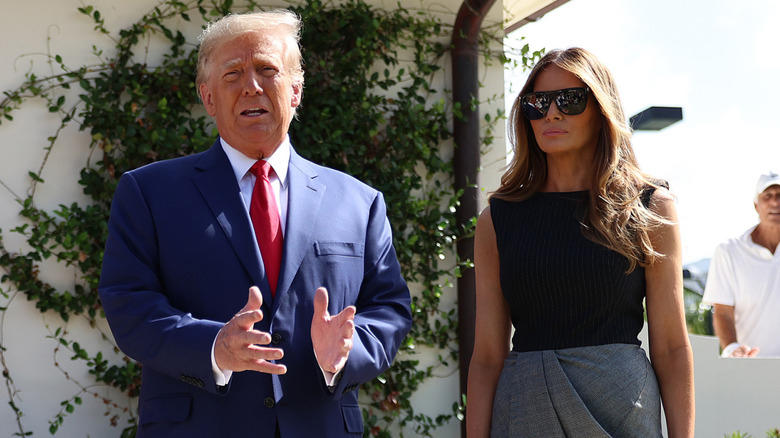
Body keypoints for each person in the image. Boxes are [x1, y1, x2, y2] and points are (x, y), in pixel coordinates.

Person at [98, 10, 411, 437]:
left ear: (296, 90)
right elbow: (128, 303)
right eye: (232, 74)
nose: (251, 85)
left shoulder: (359, 202)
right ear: (208, 97)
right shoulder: (149, 192)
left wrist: (345, 349)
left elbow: (390, 309)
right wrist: (213, 347)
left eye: (267, 70)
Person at [466, 48, 694, 437]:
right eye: (537, 103)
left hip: (620, 408)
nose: (551, 113)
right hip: (524, 412)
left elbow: (671, 346)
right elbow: (487, 356)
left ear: (602, 110)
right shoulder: (497, 221)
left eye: (569, 100)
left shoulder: (649, 207)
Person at [702, 172, 780, 358]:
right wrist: (732, 348)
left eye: (779, 196)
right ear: (756, 205)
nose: (775, 202)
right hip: (748, 367)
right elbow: (722, 312)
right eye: (767, 196)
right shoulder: (728, 251)